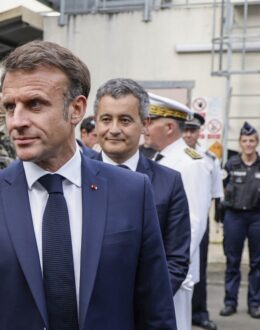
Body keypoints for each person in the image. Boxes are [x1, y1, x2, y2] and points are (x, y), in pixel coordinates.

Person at [0, 40, 176, 329]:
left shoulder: (132, 192)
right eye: (9, 107)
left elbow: (155, 308)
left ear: (76, 110)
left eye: (35, 104)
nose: (17, 121)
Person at [91, 78, 191, 296]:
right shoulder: (75, 177)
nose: (114, 129)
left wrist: (147, 306)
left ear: (145, 124)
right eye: (106, 119)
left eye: (125, 120)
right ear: (96, 122)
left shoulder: (169, 182)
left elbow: (176, 259)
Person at [145, 93, 212, 330]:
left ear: (170, 127)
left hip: (172, 273)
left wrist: (172, 272)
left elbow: (193, 225)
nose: (145, 126)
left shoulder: (190, 163)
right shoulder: (162, 160)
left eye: (150, 121)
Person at [220, 122, 260, 319]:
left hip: (258, 217)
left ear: (257, 143)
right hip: (234, 216)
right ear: (240, 143)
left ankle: (254, 304)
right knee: (232, 261)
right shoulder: (231, 164)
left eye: (252, 140)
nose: (248, 144)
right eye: (245, 140)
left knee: (257, 263)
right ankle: (230, 302)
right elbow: (224, 189)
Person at [184, 113, 223, 330]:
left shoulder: (209, 159)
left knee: (199, 267)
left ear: (200, 131)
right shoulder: (167, 156)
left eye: (193, 130)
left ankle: (199, 312)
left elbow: (216, 192)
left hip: (199, 222)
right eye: (186, 129)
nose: (189, 134)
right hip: (174, 220)